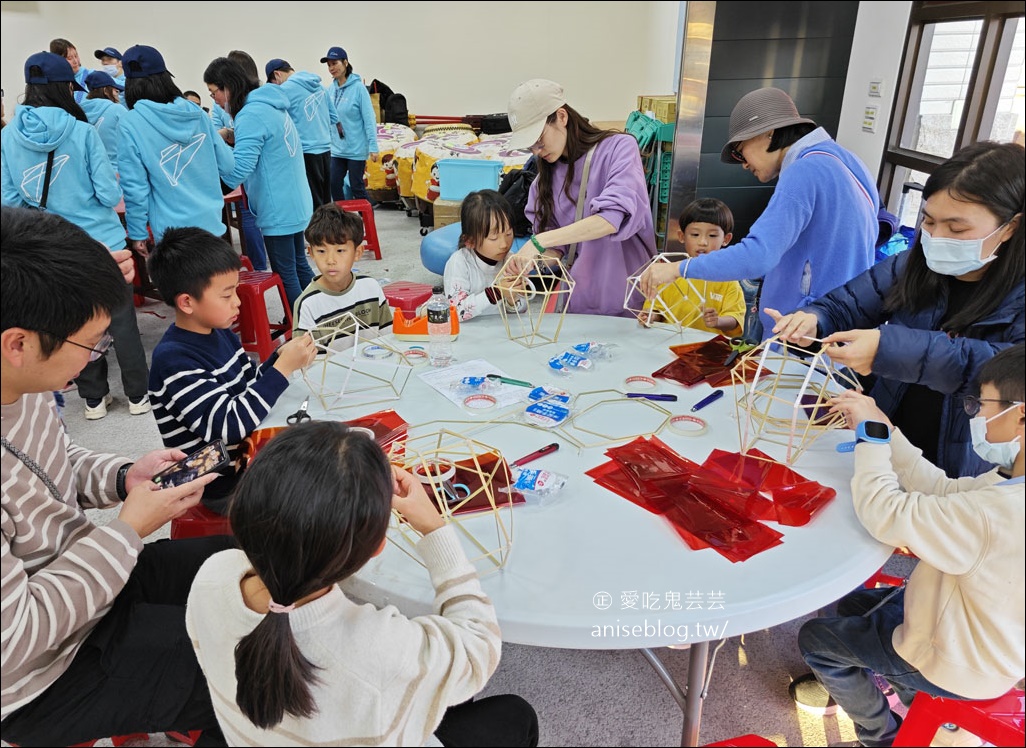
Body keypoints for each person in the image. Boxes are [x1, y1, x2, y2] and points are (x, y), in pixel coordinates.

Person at [0, 206, 230, 746]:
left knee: (251, 559)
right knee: (257, 670)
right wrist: (127, 531)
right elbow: (16, 638)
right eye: (92, 343)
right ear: (18, 344)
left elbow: (55, 462)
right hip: (42, 676)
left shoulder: (24, 387)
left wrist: (126, 474)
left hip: (91, 586)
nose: (98, 356)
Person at [186, 420, 540, 746]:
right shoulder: (385, 652)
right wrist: (434, 529)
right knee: (515, 714)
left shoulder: (210, 577)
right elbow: (480, 645)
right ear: (378, 547)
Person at [797, 343, 1025, 747]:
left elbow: (885, 512)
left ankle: (880, 734)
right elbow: (945, 490)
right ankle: (902, 690)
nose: (979, 415)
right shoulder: (1009, 483)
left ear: (1020, 413)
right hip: (988, 638)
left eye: (984, 405)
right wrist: (887, 427)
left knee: (816, 639)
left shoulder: (1000, 512)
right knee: (853, 606)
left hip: (957, 662)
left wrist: (873, 437)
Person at [767, 140, 1024, 477]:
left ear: (1011, 227)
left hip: (961, 466)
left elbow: (1003, 369)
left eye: (957, 228)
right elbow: (847, 304)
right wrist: (814, 320)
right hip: (886, 439)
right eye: (929, 221)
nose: (936, 236)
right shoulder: (914, 263)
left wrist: (888, 348)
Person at [639, 87, 878, 336]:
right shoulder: (849, 161)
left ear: (768, 133)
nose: (743, 163)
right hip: (843, 323)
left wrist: (679, 269)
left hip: (803, 334)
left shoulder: (804, 171)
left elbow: (758, 255)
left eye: (740, 150)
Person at [1, 52, 150, 422]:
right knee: (121, 321)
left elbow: (9, 200)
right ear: (67, 88)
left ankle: (94, 399)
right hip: (103, 240)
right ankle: (138, 395)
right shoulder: (82, 131)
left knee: (73, 325)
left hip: (54, 249)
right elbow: (106, 193)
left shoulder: (6, 136)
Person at [147, 227, 317, 514]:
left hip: (248, 457)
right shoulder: (174, 359)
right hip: (218, 484)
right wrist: (282, 370)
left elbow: (249, 386)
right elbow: (229, 426)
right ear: (186, 302)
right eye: (227, 295)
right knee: (321, 489)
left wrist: (279, 359)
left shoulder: (218, 330)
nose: (237, 302)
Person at [504, 79, 656, 317]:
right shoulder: (542, 182)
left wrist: (538, 242)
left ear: (562, 117)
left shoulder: (619, 149)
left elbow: (609, 219)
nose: (537, 151)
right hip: (579, 300)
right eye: (530, 146)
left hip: (628, 296)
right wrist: (531, 264)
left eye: (539, 139)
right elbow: (556, 252)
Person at [204, 56, 314, 310]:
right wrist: (231, 135)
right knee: (299, 264)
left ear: (227, 87)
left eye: (214, 92)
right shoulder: (269, 104)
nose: (214, 100)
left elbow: (237, 172)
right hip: (294, 199)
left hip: (278, 206)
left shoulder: (250, 114)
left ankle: (305, 331)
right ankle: (320, 319)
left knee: (286, 272)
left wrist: (215, 144)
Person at [118, 45, 236, 251]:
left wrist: (137, 233)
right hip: (212, 225)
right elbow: (228, 164)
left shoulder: (130, 124)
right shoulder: (196, 112)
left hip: (172, 237)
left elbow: (135, 188)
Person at [646, 198, 745, 336]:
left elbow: (735, 318)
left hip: (708, 350)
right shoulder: (670, 275)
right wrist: (650, 316)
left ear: (726, 239)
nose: (702, 242)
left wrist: (718, 321)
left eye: (712, 235)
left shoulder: (728, 281)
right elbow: (656, 308)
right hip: (667, 345)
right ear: (681, 236)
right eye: (695, 235)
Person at [293, 202, 391, 340]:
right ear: (311, 253)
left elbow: (388, 338)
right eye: (321, 251)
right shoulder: (307, 303)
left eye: (340, 250)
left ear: (357, 252)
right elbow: (307, 359)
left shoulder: (371, 288)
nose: (330, 260)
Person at [443, 189, 527, 321]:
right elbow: (456, 311)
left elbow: (520, 312)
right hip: (467, 334)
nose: (504, 244)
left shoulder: (509, 261)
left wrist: (513, 299)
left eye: (509, 234)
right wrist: (497, 293)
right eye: (494, 238)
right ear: (470, 241)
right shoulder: (459, 263)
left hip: (500, 332)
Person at [266, 58, 338, 208]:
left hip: (305, 153)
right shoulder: (320, 86)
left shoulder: (284, 90)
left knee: (312, 204)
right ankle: (329, 231)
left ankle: (318, 232)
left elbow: (275, 120)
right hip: (326, 150)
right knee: (326, 202)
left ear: (277, 75)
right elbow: (334, 117)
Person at [321, 46, 379, 204]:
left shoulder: (358, 88)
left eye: (335, 63)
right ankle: (342, 220)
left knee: (356, 187)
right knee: (333, 183)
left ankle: (368, 222)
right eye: (329, 65)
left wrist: (373, 147)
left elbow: (369, 118)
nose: (332, 68)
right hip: (337, 149)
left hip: (356, 149)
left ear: (345, 62)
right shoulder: (330, 89)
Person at [81, 70, 124, 168]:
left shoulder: (80, 112)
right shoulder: (117, 109)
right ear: (105, 90)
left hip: (92, 171)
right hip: (118, 171)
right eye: (116, 91)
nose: (118, 95)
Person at [49, 38, 91, 103]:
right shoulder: (52, 84)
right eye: (69, 58)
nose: (75, 61)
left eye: (76, 56)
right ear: (58, 61)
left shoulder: (93, 75)